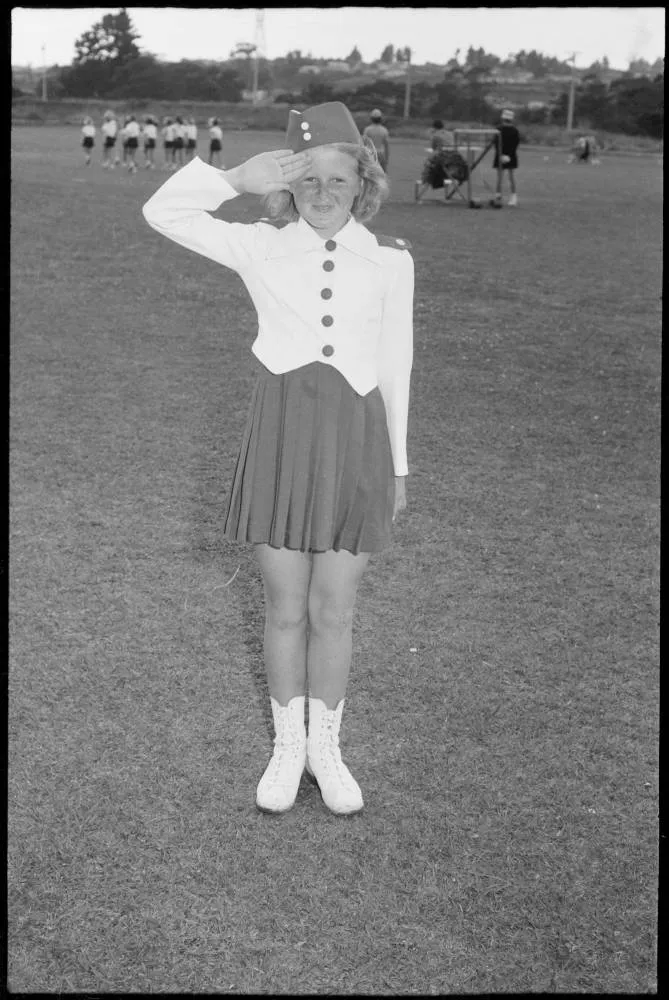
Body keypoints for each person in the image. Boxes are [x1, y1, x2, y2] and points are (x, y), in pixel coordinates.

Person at [142, 101, 414, 817]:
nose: (323, 193)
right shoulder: (258, 246)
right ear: (288, 185)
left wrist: (398, 467)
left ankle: (327, 750)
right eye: (307, 179)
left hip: (356, 442)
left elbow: (396, 364)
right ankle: (287, 749)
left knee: (335, 610)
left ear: (363, 184)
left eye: (338, 179)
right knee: (285, 608)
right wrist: (233, 178)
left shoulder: (391, 261)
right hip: (280, 436)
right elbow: (162, 213)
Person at [414, 119, 465, 202]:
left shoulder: (435, 135)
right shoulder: (450, 134)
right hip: (454, 158)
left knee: (429, 164)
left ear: (434, 127)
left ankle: (425, 180)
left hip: (443, 159)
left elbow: (434, 148)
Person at [491, 108, 520, 207]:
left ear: (503, 118)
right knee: (511, 177)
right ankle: (513, 197)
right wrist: (508, 155)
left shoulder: (499, 129)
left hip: (502, 155)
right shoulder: (514, 130)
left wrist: (501, 155)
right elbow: (515, 144)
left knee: (500, 177)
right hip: (511, 156)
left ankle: (498, 196)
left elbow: (496, 143)